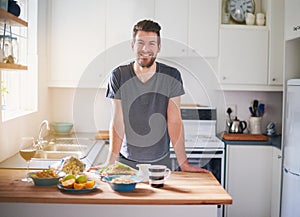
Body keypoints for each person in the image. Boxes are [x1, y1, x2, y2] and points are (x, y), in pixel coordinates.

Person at [105, 19, 208, 173]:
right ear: (132, 46)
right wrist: (110, 162)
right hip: (126, 161)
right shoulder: (118, 75)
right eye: (140, 43)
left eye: (152, 43)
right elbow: (118, 121)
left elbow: (174, 121)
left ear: (159, 48)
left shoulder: (171, 76)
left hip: (160, 160)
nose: (145, 49)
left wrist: (184, 164)